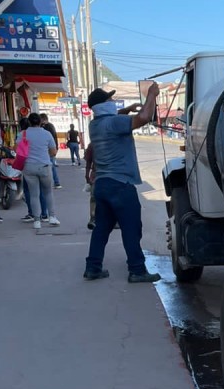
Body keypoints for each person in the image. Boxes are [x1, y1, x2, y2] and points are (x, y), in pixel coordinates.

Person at [83, 86, 161, 282]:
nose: (113, 103)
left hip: (102, 185)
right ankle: (137, 270)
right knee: (131, 227)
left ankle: (93, 268)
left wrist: (128, 109)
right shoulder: (114, 123)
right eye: (110, 100)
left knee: (101, 228)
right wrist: (151, 94)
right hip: (120, 184)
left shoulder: (95, 125)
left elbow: (115, 117)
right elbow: (143, 118)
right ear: (103, 106)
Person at [21, 112, 59, 229]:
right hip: (44, 166)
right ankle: (51, 217)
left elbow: (18, 149)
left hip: (29, 167)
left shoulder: (23, 134)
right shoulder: (47, 134)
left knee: (34, 194)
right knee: (48, 192)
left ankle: (36, 221)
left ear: (29, 122)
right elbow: (53, 152)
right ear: (40, 122)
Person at [39, 113, 61, 188]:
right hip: (52, 148)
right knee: (51, 165)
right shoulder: (51, 126)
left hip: (49, 149)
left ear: (43, 119)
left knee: (51, 166)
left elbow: (49, 139)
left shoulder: (47, 127)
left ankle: (56, 182)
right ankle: (56, 182)